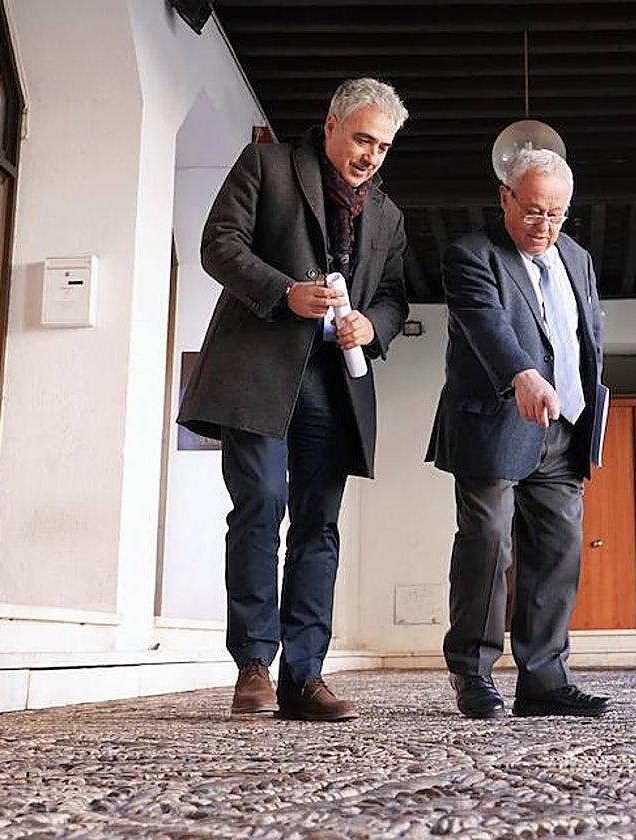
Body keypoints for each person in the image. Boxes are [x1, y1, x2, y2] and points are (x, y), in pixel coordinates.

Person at [178, 78, 410, 721]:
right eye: (363, 138)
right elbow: (218, 245)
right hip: (256, 372)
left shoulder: (387, 215)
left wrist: (373, 326)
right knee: (261, 504)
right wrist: (285, 292)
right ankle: (253, 664)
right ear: (331, 124)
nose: (370, 155)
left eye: (383, 147)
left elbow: (394, 297)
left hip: (334, 383)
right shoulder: (267, 164)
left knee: (319, 525)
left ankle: (304, 677)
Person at [427, 147, 612, 719]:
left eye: (556, 214)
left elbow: (584, 336)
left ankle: (544, 679)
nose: (545, 226)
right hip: (496, 423)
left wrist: (588, 403)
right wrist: (522, 375)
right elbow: (484, 321)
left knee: (557, 551)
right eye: (533, 211)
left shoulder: (575, 256)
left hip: (566, 426)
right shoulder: (471, 254)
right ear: (504, 197)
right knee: (489, 545)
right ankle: (473, 673)